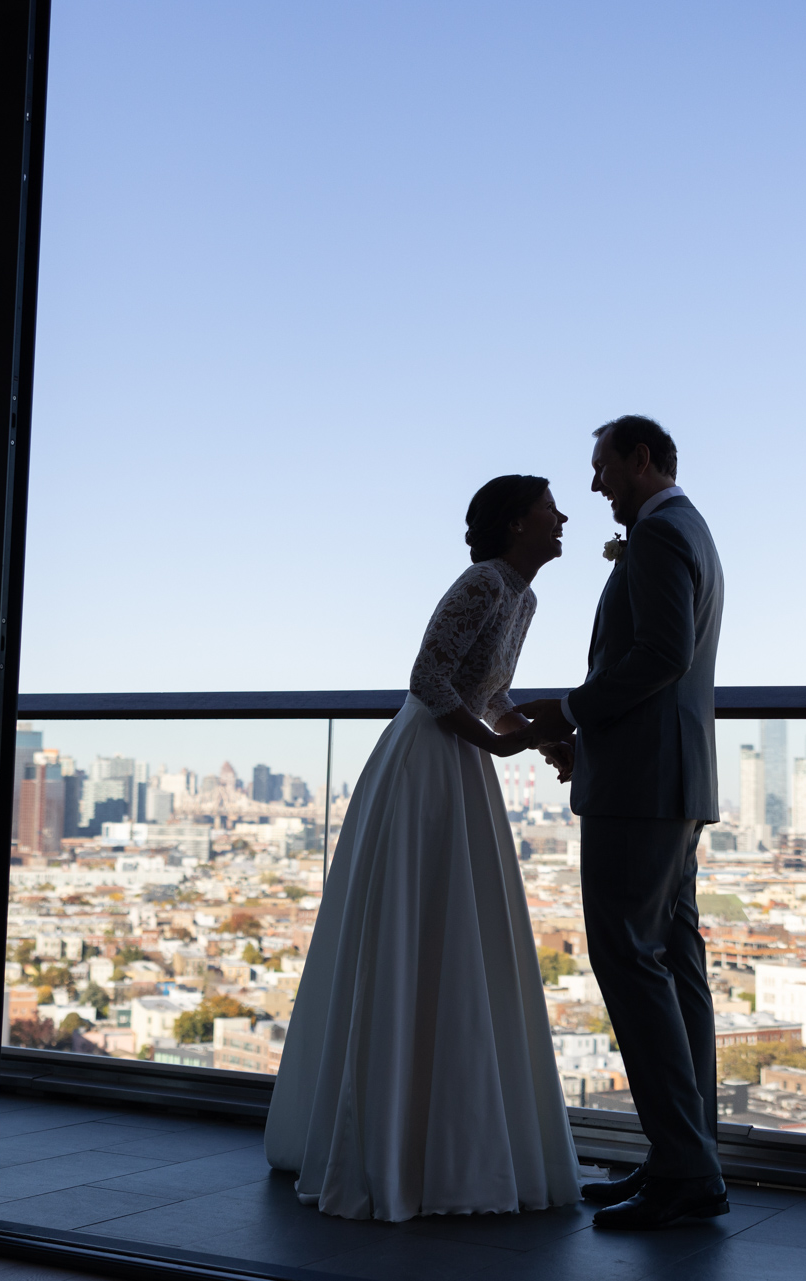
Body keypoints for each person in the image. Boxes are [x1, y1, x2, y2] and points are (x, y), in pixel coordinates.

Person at [264, 474, 580, 1221]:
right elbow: (428, 679)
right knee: (429, 923)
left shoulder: (523, 596)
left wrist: (528, 739)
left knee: (443, 926)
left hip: (457, 758)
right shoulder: (481, 583)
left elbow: (489, 692)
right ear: (514, 524)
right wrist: (502, 746)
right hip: (429, 761)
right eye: (547, 506)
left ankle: (418, 1135)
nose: (561, 515)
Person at [518, 415, 727, 1230]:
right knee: (677, 970)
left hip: (640, 786)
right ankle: (687, 1155)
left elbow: (659, 655)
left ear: (642, 459)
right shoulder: (690, 528)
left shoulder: (656, 535)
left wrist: (569, 709)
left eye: (603, 467)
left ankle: (688, 1168)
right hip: (675, 782)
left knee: (630, 964)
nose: (597, 484)